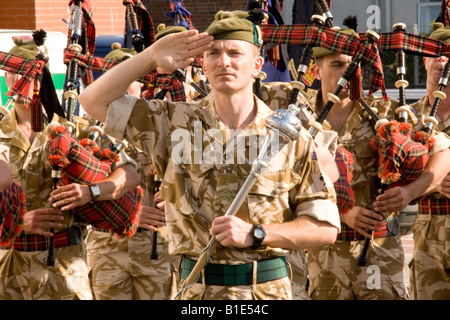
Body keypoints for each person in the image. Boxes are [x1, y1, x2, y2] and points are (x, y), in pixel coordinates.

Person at [79, 9, 341, 300]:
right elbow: (92, 100)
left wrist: (257, 233)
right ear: (202, 65)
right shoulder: (171, 123)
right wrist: (151, 56)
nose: (224, 61)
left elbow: (324, 227)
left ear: (256, 65)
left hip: (268, 293)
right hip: (198, 293)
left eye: (234, 52)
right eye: (214, 53)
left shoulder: (289, 135)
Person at [0, 30, 140, 300]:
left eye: (27, 73)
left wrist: (92, 191)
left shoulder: (73, 130)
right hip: (9, 267)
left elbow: (130, 173)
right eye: (12, 72)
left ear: (43, 78)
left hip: (65, 267)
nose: (18, 80)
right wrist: (18, 220)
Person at [305, 18, 413, 300]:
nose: (348, 72)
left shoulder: (386, 113)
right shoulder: (302, 118)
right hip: (324, 256)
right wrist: (343, 212)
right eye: (338, 65)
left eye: (354, 66)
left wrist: (410, 191)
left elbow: (441, 151)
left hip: (380, 253)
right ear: (317, 71)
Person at [84, 42, 179, 300]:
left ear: (141, 83)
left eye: (132, 79)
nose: (124, 87)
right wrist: (132, 213)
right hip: (107, 248)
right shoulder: (86, 133)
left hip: (157, 247)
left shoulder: (163, 126)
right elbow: (78, 193)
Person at [374, 22, 450, 300]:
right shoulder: (407, 119)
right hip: (427, 235)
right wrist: (433, 181)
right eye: (436, 54)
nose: (443, 61)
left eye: (449, 54)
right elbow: (390, 174)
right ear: (425, 59)